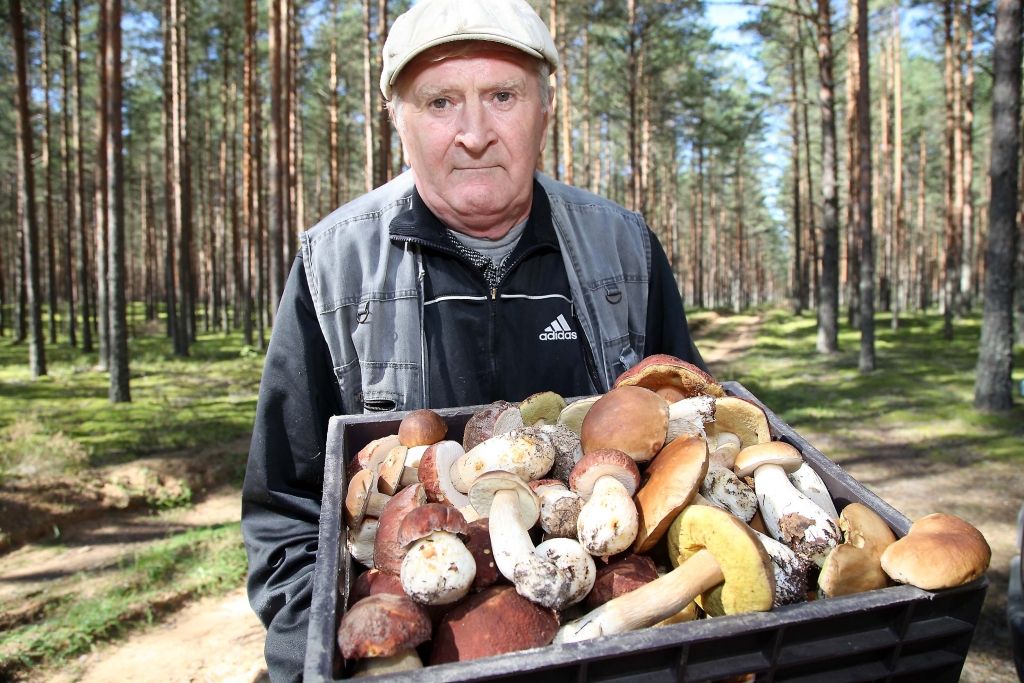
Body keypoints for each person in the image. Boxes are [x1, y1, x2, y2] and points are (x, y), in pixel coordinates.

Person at [241, 0, 707, 679]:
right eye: (439, 102)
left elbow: (690, 448)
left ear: (546, 108)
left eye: (502, 96)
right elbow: (287, 510)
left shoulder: (624, 250)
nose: (474, 133)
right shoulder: (333, 268)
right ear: (396, 119)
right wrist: (312, 661)